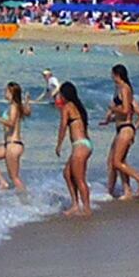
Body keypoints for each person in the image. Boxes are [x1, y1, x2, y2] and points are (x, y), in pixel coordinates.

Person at [104, 65, 139, 202]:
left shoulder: (125, 88)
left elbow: (126, 110)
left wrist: (113, 108)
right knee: (112, 161)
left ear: (116, 74)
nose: (111, 76)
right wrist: (109, 119)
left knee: (117, 162)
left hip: (126, 128)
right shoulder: (119, 89)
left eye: (112, 74)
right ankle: (123, 190)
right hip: (121, 127)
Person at [54, 80, 93, 212]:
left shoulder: (67, 107)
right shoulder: (78, 106)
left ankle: (87, 208)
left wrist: (59, 145)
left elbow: (63, 126)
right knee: (67, 173)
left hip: (80, 146)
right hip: (85, 144)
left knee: (79, 179)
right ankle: (75, 204)